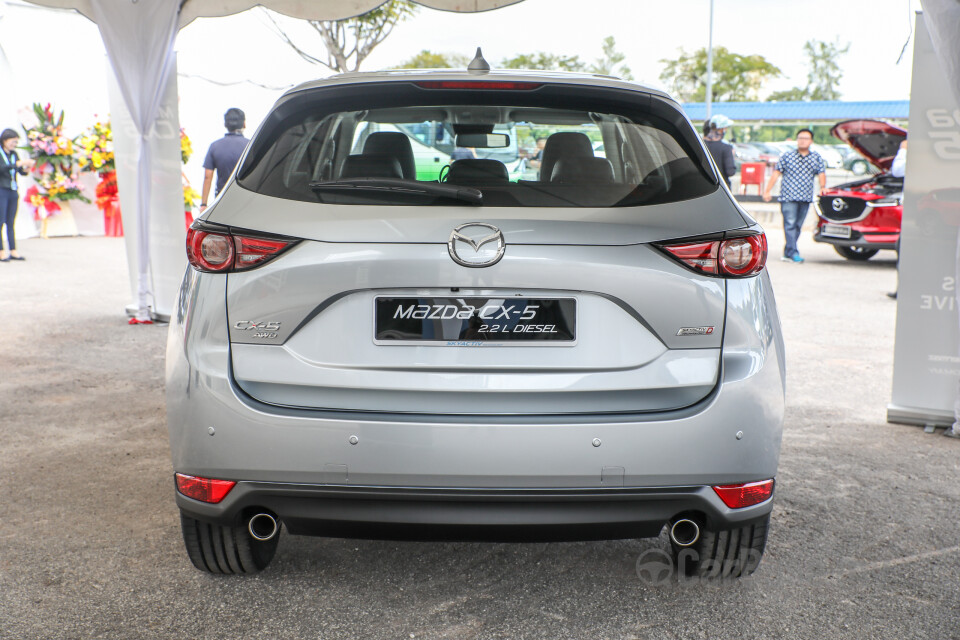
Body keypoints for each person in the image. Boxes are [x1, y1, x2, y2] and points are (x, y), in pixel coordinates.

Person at [762, 128, 826, 263]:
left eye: (806, 138)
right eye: (800, 138)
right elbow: (776, 173)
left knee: (797, 226)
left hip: (805, 197)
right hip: (788, 197)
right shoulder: (787, 156)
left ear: (811, 141)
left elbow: (821, 174)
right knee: (789, 224)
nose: (802, 141)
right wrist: (767, 191)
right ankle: (793, 252)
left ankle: (787, 252)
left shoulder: (816, 158)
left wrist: (823, 188)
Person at [199, 108, 248, 213]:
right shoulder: (250, 146)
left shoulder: (215, 146)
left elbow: (207, 176)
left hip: (221, 199)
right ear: (244, 124)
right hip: (245, 199)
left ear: (225, 124)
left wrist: (204, 204)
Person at [0, 128, 35, 262]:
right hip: (1, 189)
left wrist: (26, 167)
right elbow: (2, 168)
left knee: (10, 221)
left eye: (16, 142)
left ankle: (13, 250)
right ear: (5, 140)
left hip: (13, 190)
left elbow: (21, 171)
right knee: (0, 221)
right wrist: (17, 164)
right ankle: (1, 251)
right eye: (12, 141)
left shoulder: (14, 154)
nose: (14, 144)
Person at [702, 114, 736, 188]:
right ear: (721, 129)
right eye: (725, 128)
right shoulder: (726, 148)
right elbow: (730, 172)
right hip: (721, 189)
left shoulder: (699, 146)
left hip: (702, 189)